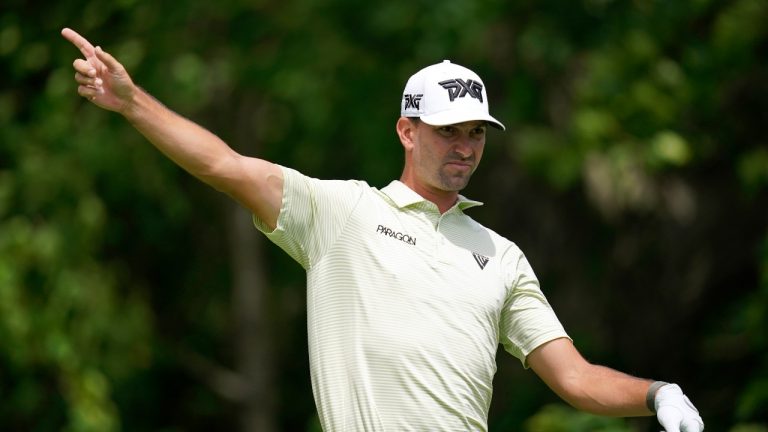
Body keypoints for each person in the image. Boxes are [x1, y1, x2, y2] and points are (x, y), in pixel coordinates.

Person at [61, 27, 705, 432]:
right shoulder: (340, 213)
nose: (465, 146)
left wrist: (657, 393)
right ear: (406, 130)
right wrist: (131, 102)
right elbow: (224, 165)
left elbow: (575, 378)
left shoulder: (501, 256)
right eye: (449, 130)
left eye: (476, 132)